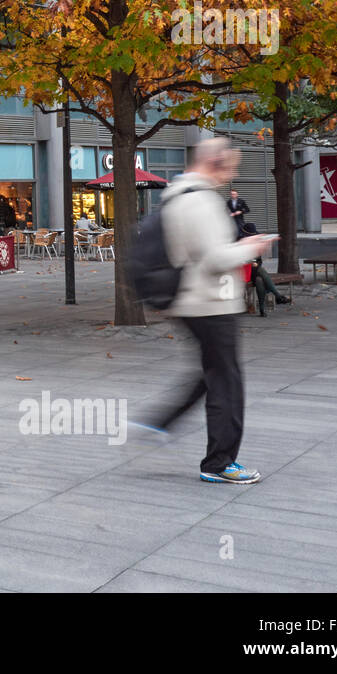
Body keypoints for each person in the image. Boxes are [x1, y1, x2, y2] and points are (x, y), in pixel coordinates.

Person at [138, 138, 273, 484]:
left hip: (190, 301)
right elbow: (214, 259)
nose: (234, 173)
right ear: (215, 163)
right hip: (211, 302)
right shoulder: (202, 202)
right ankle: (219, 463)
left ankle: (160, 421)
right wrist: (251, 247)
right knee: (227, 381)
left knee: (212, 372)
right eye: (231, 166)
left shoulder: (177, 196)